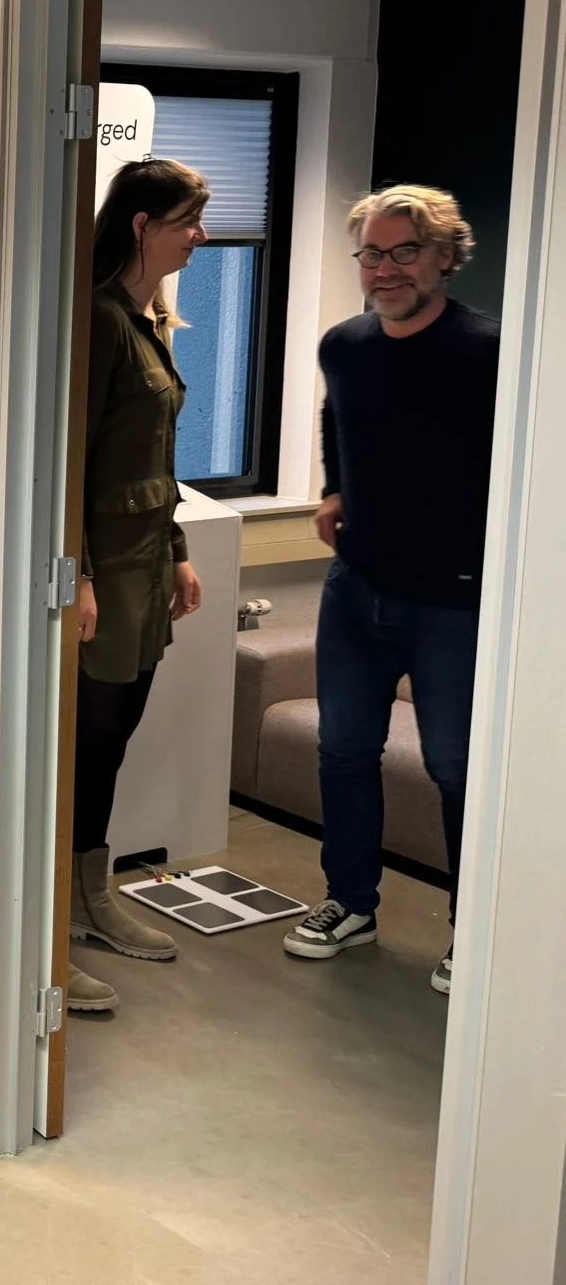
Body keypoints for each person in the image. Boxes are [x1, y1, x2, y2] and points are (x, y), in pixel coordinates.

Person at [283, 186, 496, 996]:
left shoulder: (489, 352)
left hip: (456, 602)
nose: (386, 269)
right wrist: (334, 489)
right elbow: (335, 418)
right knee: (342, 750)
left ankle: (476, 933)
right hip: (357, 587)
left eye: (406, 251)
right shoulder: (345, 345)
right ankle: (351, 904)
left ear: (446, 255)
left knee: (456, 768)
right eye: (372, 253)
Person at [68, 158, 210, 1015]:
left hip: (148, 567)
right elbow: (71, 460)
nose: (201, 234)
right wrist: (79, 576)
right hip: (106, 577)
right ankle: (61, 915)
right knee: (86, 746)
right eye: (189, 219)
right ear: (141, 224)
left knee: (113, 741)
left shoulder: (150, 319)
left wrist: (181, 551)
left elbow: (156, 457)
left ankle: (91, 899)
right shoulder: (99, 320)